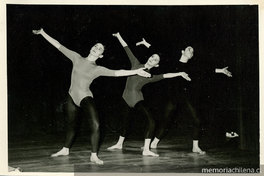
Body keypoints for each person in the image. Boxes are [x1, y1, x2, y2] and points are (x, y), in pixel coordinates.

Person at [32, 28, 151, 165]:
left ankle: (94, 155)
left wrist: (136, 71)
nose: (96, 48)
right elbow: (58, 45)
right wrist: (42, 33)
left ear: (101, 55)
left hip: (85, 96)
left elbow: (118, 73)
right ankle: (65, 149)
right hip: (71, 96)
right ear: (91, 48)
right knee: (71, 126)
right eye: (95, 46)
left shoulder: (98, 69)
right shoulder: (76, 58)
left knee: (96, 124)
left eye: (99, 48)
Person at [107, 32, 191, 157]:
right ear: (149, 57)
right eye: (152, 56)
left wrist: (179, 74)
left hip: (136, 99)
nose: (153, 59)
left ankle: (146, 149)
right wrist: (119, 36)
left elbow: (166, 75)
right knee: (125, 122)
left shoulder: (152, 76)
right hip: (125, 97)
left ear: (156, 64)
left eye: (156, 60)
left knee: (151, 121)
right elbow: (127, 49)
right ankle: (119, 144)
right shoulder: (135, 63)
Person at [150, 46, 232, 154]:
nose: (191, 52)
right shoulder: (173, 62)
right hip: (174, 97)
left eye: (193, 51)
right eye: (189, 49)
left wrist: (221, 70)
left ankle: (195, 147)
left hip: (187, 97)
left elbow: (206, 70)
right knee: (166, 121)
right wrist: (148, 45)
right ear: (182, 51)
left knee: (197, 120)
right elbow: (161, 56)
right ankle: (154, 143)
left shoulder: (193, 66)